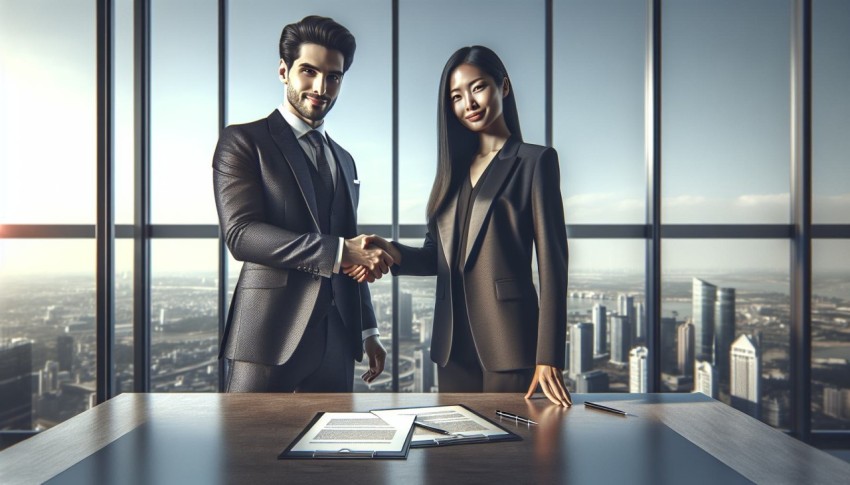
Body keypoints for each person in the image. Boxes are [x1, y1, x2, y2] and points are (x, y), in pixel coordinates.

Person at [350, 46, 571, 406]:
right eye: (456, 96)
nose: (468, 102)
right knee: (454, 455)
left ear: (504, 86)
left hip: (510, 340)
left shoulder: (535, 162)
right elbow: (437, 258)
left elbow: (553, 266)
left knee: (511, 453)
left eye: (478, 87)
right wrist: (392, 250)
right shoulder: (451, 174)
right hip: (451, 345)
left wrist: (548, 356)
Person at [212, 15, 392, 393]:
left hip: (338, 341)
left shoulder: (344, 159)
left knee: (333, 450)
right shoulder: (244, 141)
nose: (320, 87)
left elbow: (351, 247)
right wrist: (340, 251)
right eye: (308, 71)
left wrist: (367, 330)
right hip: (267, 336)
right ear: (283, 70)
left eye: (334, 76)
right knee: (248, 448)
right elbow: (242, 234)